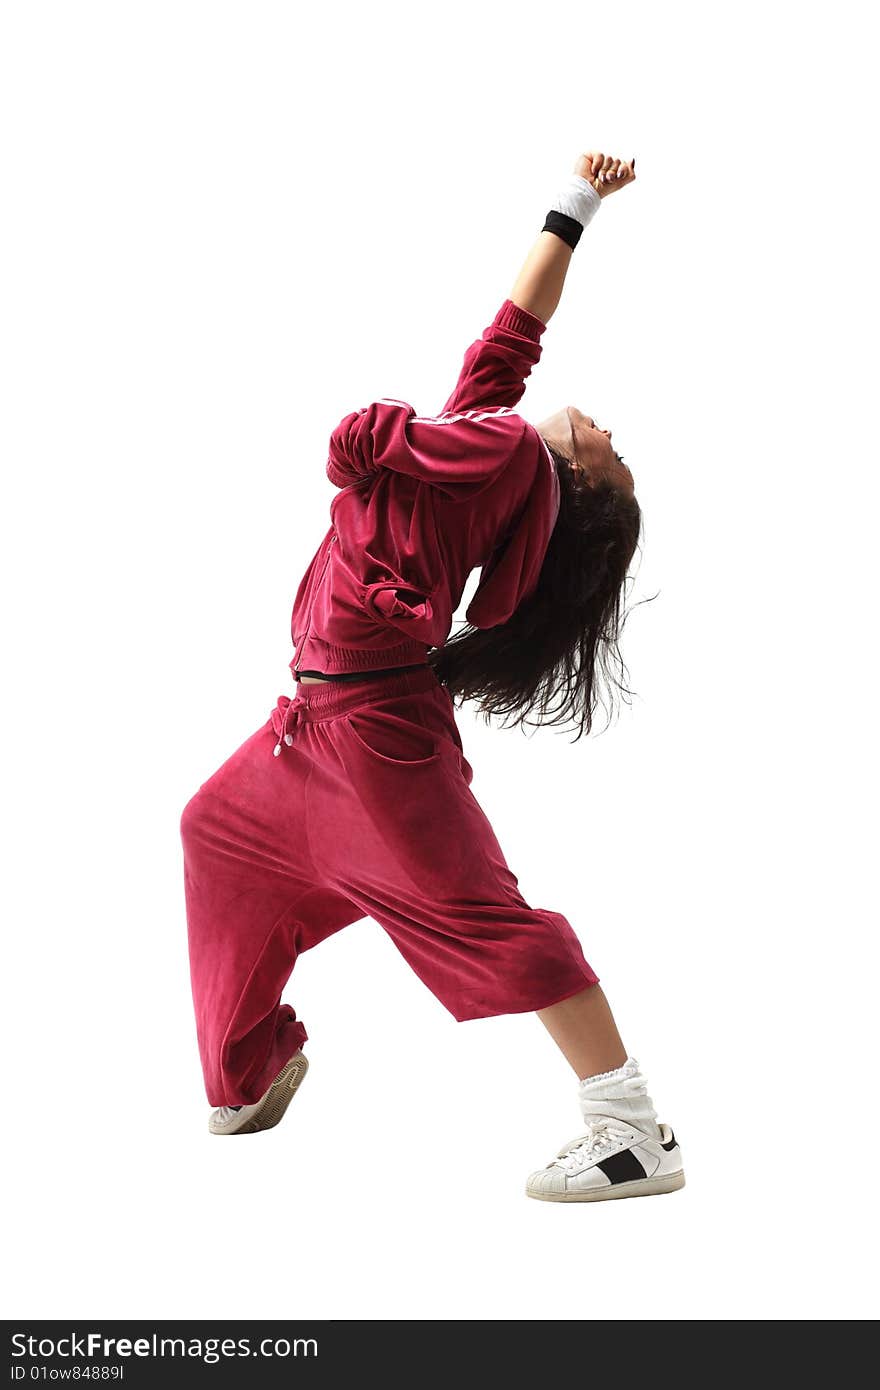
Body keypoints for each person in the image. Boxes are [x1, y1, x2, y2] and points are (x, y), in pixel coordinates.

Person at [179, 148, 685, 1204]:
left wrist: (373, 445)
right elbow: (514, 327)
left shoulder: (502, 454)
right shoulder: (486, 433)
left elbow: (359, 442)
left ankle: (631, 1130)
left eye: (613, 448)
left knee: (489, 916)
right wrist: (577, 205)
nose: (605, 425)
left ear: (578, 477)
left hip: (372, 737)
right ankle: (248, 1067)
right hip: (311, 727)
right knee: (217, 833)